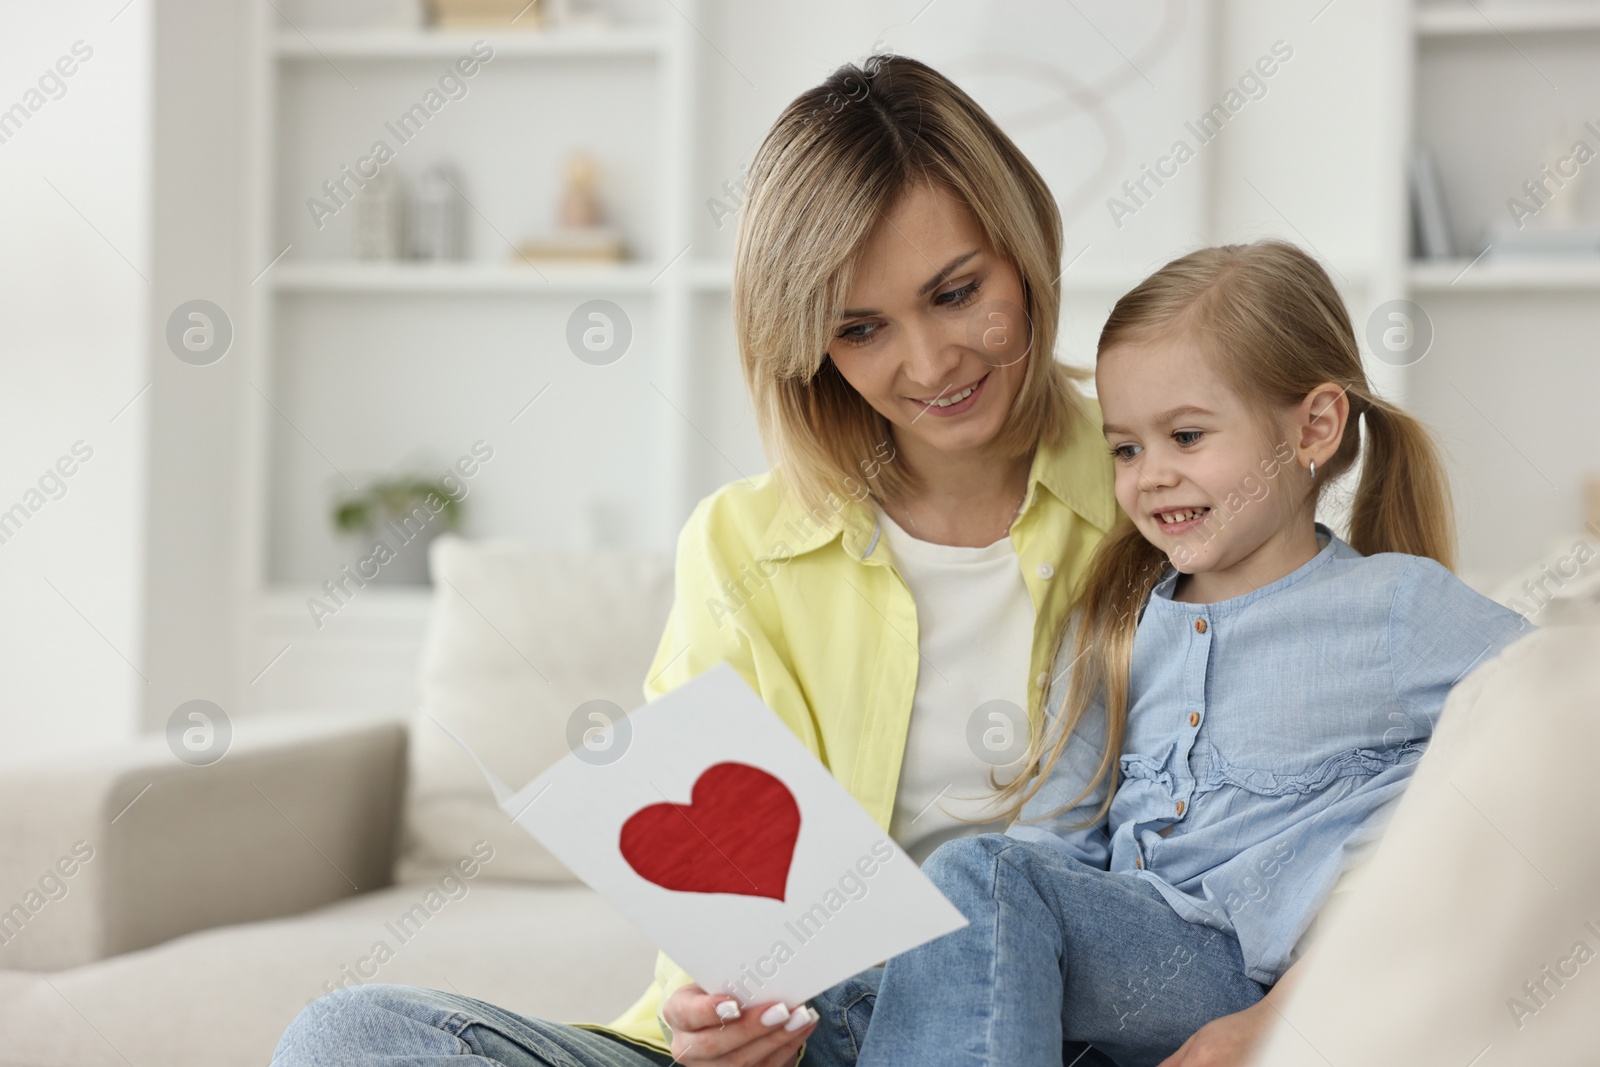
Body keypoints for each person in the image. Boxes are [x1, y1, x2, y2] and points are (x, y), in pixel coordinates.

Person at [271, 54, 1125, 1067]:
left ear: (1024, 248)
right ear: (809, 343)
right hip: (802, 1034)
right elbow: (711, 893)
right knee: (346, 1037)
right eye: (861, 327)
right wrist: (710, 1019)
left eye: (955, 292)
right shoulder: (743, 542)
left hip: (1026, 1028)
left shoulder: (1160, 488)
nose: (932, 363)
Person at [809, 239, 1538, 1067]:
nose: (1150, 475)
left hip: (1261, 976)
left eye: (1186, 436)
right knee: (844, 999)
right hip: (1122, 974)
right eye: (1126, 448)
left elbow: (1561, 717)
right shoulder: (1115, 619)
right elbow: (1054, 840)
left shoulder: (1396, 608)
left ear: (1315, 427)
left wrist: (1288, 1013)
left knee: (976, 878)